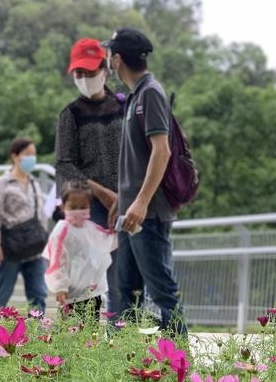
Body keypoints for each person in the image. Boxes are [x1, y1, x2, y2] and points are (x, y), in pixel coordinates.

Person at [104, 28, 187, 335]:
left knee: (163, 293)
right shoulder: (138, 94)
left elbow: (161, 151)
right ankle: (122, 366)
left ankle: (180, 361)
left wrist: (139, 202)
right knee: (125, 295)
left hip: (147, 215)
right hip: (130, 214)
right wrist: (122, 200)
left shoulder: (150, 92)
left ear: (117, 59)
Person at [55, 37, 124, 314]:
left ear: (104, 69)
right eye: (78, 74)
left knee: (123, 279)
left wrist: (127, 196)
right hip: (89, 207)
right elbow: (65, 165)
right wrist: (102, 193)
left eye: (90, 72)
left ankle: (122, 341)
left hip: (126, 204)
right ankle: (82, 344)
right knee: (85, 281)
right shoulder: (70, 114)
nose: (84, 78)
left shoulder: (125, 107)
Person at [0, 137, 48, 314]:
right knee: (2, 295)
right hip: (11, 249)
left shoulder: (34, 183)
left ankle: (38, 336)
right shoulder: (1, 183)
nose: (32, 158)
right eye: (27, 154)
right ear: (15, 156)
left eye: (34, 155)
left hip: (35, 249)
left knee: (38, 296)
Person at [43, 182, 117, 320]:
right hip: (70, 294)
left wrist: (124, 231)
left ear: (90, 207)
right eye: (73, 207)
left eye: (83, 207)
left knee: (90, 331)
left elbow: (107, 241)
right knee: (70, 332)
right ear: (63, 207)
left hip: (92, 292)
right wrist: (60, 287)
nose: (78, 211)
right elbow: (56, 262)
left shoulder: (91, 228)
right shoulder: (61, 231)